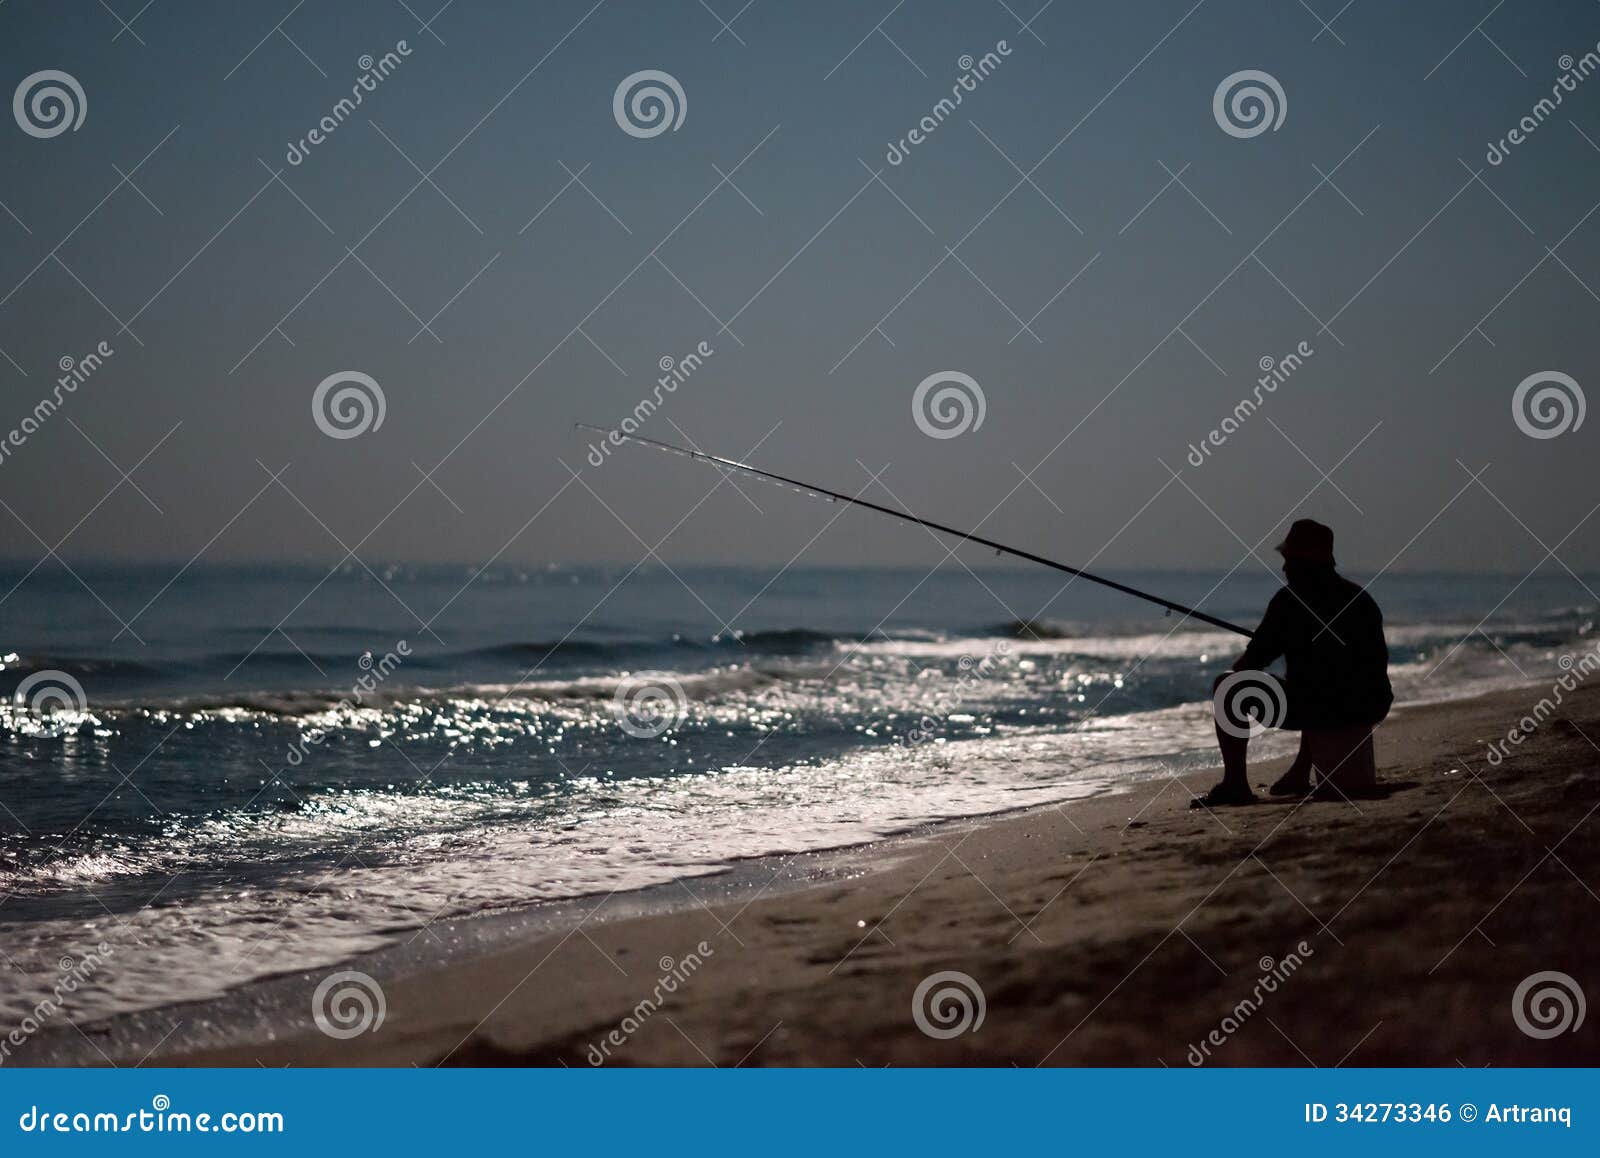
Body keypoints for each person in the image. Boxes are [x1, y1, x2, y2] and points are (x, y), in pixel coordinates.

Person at [1194, 519, 1393, 808]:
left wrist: (1264, 646)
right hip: (1370, 705)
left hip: (1327, 707)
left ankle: (1235, 783)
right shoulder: (1359, 598)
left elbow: (1248, 666)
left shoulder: (1288, 602)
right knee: (1317, 679)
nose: (1284, 568)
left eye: (1290, 560)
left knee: (1227, 686)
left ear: (1306, 561)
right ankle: (1300, 771)